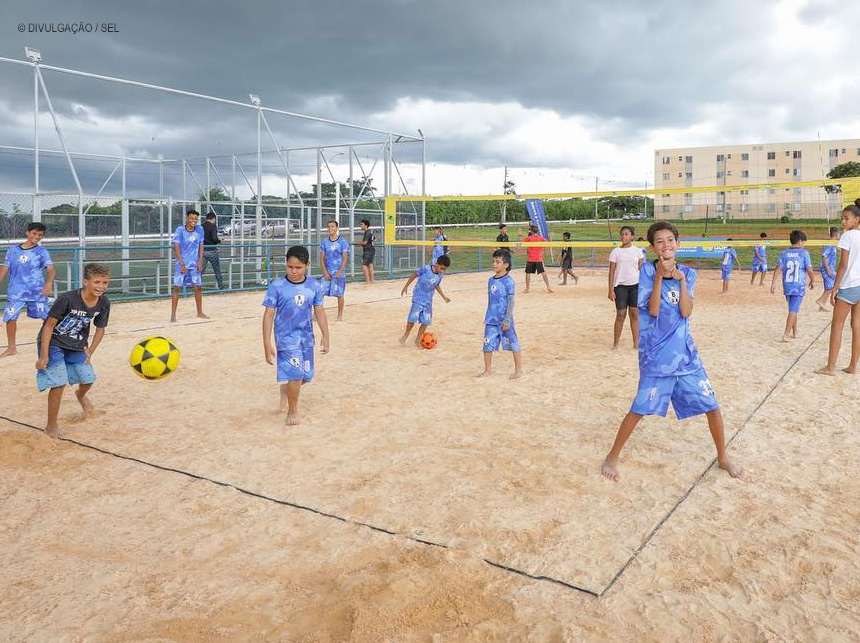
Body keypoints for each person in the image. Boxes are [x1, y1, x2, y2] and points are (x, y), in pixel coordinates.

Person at [601, 222, 744, 482]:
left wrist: (680, 281)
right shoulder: (645, 272)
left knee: (712, 406)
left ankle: (723, 457)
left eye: (670, 240)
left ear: (677, 244)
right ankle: (612, 455)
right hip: (656, 355)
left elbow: (686, 311)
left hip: (686, 354)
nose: (666, 245)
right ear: (652, 247)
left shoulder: (688, 274)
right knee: (640, 408)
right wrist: (659, 277)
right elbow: (653, 310)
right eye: (659, 241)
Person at [35, 263, 111, 438]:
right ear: (86, 281)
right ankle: (51, 425)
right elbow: (48, 326)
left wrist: (90, 351)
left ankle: (80, 395)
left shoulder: (104, 302)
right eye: (97, 282)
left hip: (77, 345)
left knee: (88, 379)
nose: (101, 287)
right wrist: (44, 355)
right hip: (54, 342)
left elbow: (100, 329)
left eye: (105, 283)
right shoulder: (67, 299)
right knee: (58, 383)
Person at [262, 245, 330, 426]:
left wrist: (326, 335)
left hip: (306, 338)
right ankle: (292, 412)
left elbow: (320, 311)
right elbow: (268, 315)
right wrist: (267, 343)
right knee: (296, 375)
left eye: (298, 267)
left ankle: (286, 389)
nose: (293, 271)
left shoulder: (314, 286)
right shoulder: (277, 286)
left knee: (306, 376)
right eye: (290, 267)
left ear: (307, 265)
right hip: (286, 339)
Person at [815, 203, 860, 376]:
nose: (843, 221)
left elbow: (843, 265)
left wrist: (835, 288)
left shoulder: (847, 237)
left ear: (856, 219)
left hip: (849, 284)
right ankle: (853, 366)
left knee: (837, 326)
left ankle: (830, 367)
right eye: (842, 218)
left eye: (846, 218)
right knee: (857, 325)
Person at [1, 221, 55, 358]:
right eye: (34, 233)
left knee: (47, 318)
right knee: (10, 317)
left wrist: (48, 284)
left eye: (40, 235)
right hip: (16, 291)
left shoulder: (42, 252)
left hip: (36, 291)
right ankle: (11, 347)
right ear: (28, 233)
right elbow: (5, 269)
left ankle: (54, 344)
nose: (36, 237)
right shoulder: (12, 250)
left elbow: (51, 270)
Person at [478, 250, 522, 379]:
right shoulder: (490, 280)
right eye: (493, 261)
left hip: (505, 320)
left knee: (513, 343)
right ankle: (487, 370)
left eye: (498, 262)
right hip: (491, 319)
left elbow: (511, 301)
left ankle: (518, 370)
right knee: (487, 344)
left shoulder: (509, 281)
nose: (494, 264)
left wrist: (507, 320)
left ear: (506, 265)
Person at [770, 230, 814, 342]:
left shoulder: (784, 253)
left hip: (787, 286)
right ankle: (786, 334)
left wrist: (773, 283)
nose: (804, 244)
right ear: (799, 242)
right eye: (803, 242)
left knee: (793, 308)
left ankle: (795, 332)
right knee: (793, 310)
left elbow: (778, 268)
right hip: (798, 286)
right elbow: (809, 269)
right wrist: (813, 279)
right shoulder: (804, 253)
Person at [399, 255, 451, 347]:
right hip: (418, 298)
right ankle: (405, 335)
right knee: (412, 318)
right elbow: (414, 275)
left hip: (428, 300)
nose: (442, 271)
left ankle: (417, 340)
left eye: (445, 269)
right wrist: (406, 286)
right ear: (436, 264)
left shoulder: (440, 275)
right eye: (442, 268)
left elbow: (436, 285)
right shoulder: (426, 269)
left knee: (426, 321)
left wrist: (444, 296)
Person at [608, 225, 643, 349]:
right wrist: (610, 289)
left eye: (627, 234)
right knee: (620, 315)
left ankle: (636, 344)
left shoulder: (638, 251)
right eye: (622, 234)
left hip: (635, 286)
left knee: (634, 315)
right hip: (620, 287)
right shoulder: (616, 251)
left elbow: (641, 270)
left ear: (632, 236)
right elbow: (611, 271)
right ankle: (616, 343)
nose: (624, 236)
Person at [170, 209, 208, 322]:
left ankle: (200, 312)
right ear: (187, 218)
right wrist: (181, 263)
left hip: (194, 264)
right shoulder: (180, 230)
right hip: (181, 264)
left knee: (198, 287)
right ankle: (173, 314)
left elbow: (201, 246)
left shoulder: (200, 230)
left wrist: (200, 261)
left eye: (196, 219)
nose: (194, 221)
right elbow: (176, 247)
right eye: (191, 218)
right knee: (177, 287)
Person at [319, 220, 350, 321]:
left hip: (338, 273)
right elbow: (322, 258)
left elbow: (345, 258)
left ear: (337, 228)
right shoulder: (324, 242)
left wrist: (340, 271)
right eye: (328, 226)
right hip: (327, 273)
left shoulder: (343, 242)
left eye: (332, 226)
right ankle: (317, 315)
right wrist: (325, 272)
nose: (330, 228)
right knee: (320, 293)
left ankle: (340, 315)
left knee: (339, 294)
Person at [523, 224, 553, 294]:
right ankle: (548, 287)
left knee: (528, 273)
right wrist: (551, 237)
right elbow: (549, 244)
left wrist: (519, 236)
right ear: (537, 231)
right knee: (543, 273)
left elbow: (520, 244)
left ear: (531, 231)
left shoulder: (528, 238)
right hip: (538, 258)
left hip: (530, 259)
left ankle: (527, 289)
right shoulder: (541, 238)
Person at [815, 227, 840, 311]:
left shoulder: (833, 243)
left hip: (830, 268)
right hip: (827, 268)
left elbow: (839, 249)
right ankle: (820, 300)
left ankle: (822, 306)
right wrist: (828, 269)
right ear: (836, 234)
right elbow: (824, 257)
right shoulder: (829, 244)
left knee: (829, 286)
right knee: (831, 286)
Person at [201, 211, 224, 290]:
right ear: (213, 218)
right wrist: (219, 241)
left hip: (203, 251)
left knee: (200, 271)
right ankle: (221, 287)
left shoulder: (201, 226)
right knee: (217, 270)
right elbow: (214, 238)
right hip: (212, 251)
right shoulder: (213, 226)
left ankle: (196, 287)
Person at [356, 219, 375, 284]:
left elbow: (365, 242)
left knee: (364, 265)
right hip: (371, 250)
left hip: (368, 251)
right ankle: (372, 280)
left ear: (366, 225)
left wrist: (357, 243)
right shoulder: (369, 232)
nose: (360, 226)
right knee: (370, 264)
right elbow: (374, 238)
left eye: (362, 224)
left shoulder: (367, 232)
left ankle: (367, 281)